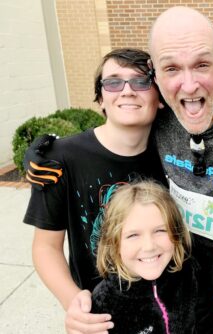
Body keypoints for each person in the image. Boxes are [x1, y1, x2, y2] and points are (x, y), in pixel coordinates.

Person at [25, 6, 213, 332]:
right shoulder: (162, 119)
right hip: (162, 299)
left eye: (201, 64)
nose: (188, 84)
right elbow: (120, 124)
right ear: (158, 77)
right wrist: (49, 148)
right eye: (172, 69)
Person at [23, 48, 166, 333]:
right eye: (113, 82)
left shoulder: (173, 153)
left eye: (141, 81)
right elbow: (45, 247)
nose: (126, 91)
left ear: (160, 97)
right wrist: (73, 301)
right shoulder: (60, 159)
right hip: (101, 317)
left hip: (167, 308)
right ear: (101, 98)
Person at [91, 180, 213, 333]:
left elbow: (208, 324)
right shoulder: (103, 301)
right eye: (133, 235)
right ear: (114, 243)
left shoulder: (191, 274)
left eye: (160, 231)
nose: (149, 246)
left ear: (176, 232)